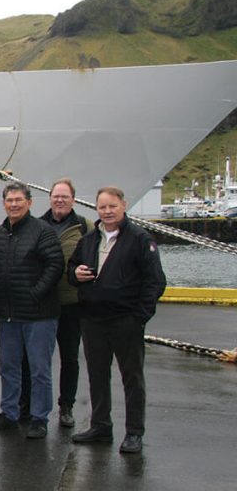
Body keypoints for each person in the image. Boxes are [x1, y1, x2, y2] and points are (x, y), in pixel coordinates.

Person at [68, 187, 166, 454]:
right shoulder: (88, 240)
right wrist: (75, 274)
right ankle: (101, 425)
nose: (107, 211)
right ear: (96, 209)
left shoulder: (139, 239)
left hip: (125, 320)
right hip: (93, 320)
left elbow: (155, 282)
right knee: (97, 375)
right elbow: (71, 270)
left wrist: (140, 318)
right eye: (102, 207)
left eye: (112, 206)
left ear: (123, 205)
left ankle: (134, 432)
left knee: (131, 377)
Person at [0, 183, 63, 439]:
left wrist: (35, 294)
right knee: (8, 366)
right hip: (9, 313)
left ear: (29, 202)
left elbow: (55, 265)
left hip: (38, 314)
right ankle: (10, 412)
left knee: (39, 369)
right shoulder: (0, 232)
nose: (13, 204)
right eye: (9, 200)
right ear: (4, 203)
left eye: (18, 200)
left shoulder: (43, 231)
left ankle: (39, 417)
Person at [37, 178, 92, 428]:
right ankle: (36, 405)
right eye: (56, 196)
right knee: (39, 358)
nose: (60, 200)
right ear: (50, 198)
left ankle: (66, 405)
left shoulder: (85, 227)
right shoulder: (37, 225)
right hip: (44, 302)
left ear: (73, 199)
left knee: (70, 357)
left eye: (65, 196)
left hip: (72, 303)